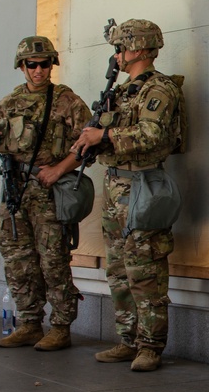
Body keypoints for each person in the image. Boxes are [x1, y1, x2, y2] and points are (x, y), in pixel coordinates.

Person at [70, 19, 187, 372]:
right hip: (116, 186)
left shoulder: (159, 89)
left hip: (142, 186)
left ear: (137, 48)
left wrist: (103, 137)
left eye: (121, 47)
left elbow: (151, 135)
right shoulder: (123, 91)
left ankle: (150, 345)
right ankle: (128, 338)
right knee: (119, 269)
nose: (117, 55)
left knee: (145, 269)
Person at [0, 36, 91, 351]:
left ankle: (60, 326)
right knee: (17, 258)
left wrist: (59, 170)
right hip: (16, 190)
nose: (39, 71)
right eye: (32, 65)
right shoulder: (9, 103)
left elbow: (86, 144)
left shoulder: (67, 102)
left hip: (48, 190)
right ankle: (30, 321)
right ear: (22, 66)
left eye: (45, 64)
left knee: (53, 259)